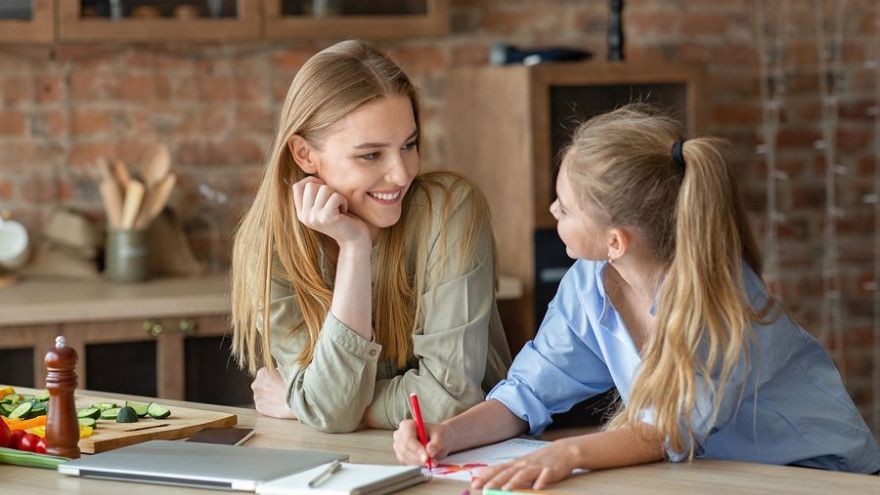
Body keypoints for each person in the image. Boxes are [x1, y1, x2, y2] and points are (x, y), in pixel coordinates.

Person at [393, 104, 880, 489]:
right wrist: (448, 434)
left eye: (565, 207)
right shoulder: (588, 281)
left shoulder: (718, 299)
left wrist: (568, 452)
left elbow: (666, 430)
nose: (552, 209)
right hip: (716, 475)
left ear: (615, 241)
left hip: (819, 475)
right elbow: (528, 392)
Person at [230, 40, 511, 434]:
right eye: (371, 155)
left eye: (409, 145)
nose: (401, 173)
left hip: (464, 458)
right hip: (341, 464)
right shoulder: (270, 249)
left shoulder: (449, 210)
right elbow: (332, 410)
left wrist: (307, 403)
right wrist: (354, 247)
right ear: (304, 155)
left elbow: (451, 398)